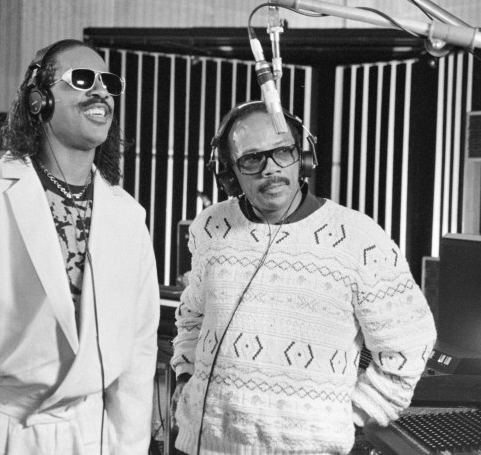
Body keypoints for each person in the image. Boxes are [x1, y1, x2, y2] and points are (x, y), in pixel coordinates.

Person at [0, 39, 161, 455]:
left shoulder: (127, 216)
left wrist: (129, 448)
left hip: (93, 436)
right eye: (82, 80)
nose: (101, 91)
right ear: (38, 101)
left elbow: (138, 357)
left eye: (109, 82)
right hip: (5, 434)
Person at [170, 101, 437, 454]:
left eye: (282, 151)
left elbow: (410, 344)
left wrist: (355, 415)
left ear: (303, 159)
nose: (270, 169)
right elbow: (192, 316)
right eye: (252, 158)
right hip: (203, 445)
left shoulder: (359, 238)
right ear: (229, 172)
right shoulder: (210, 226)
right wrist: (186, 376)